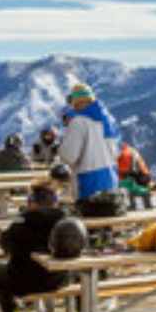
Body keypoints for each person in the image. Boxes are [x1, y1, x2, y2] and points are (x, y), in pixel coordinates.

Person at [0, 182, 75, 312]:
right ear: (55, 201)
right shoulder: (68, 221)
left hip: (23, 283)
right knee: (81, 274)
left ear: (32, 202)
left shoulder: (23, 222)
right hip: (60, 280)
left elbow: (5, 245)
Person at [55, 82, 121, 215]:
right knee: (106, 226)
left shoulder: (79, 122)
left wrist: (61, 149)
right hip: (111, 184)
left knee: (89, 228)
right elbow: (117, 152)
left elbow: (69, 156)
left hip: (89, 185)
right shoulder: (110, 120)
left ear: (77, 102)